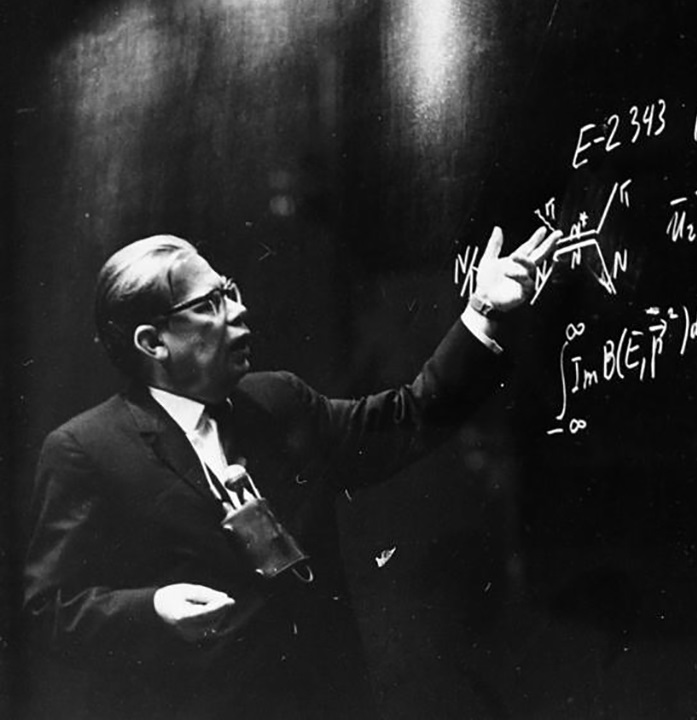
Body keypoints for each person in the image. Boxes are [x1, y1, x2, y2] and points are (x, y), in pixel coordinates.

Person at [20, 226, 560, 720]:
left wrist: (483, 310)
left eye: (229, 290)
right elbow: (49, 611)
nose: (240, 309)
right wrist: (154, 608)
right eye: (210, 304)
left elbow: (410, 417)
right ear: (153, 342)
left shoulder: (279, 402)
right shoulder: (85, 449)